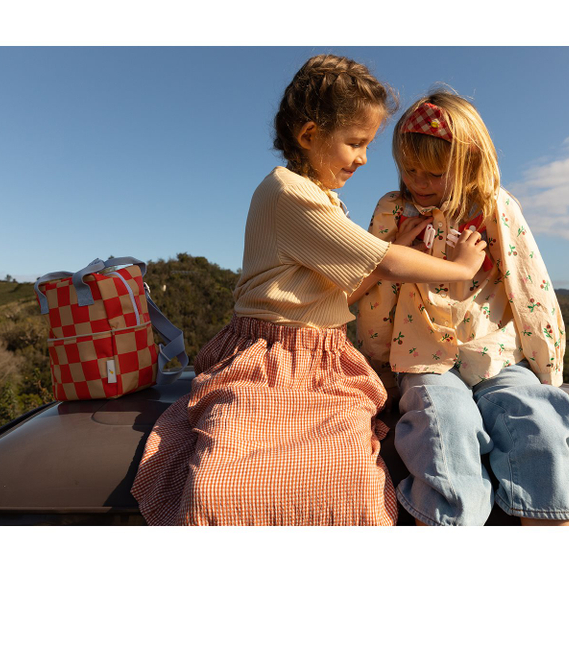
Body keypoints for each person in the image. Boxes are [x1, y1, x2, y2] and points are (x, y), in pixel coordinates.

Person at [131, 57, 487, 526]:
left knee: (349, 475)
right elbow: (381, 261)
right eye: (355, 143)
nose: (364, 158)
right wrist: (458, 266)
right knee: (224, 477)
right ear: (309, 134)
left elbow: (346, 291)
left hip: (321, 359)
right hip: (269, 360)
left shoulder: (317, 198)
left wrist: (393, 249)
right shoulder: (289, 193)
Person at [353, 91, 569, 526]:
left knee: (538, 422)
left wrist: (548, 383)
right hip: (423, 354)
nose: (419, 182)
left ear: (470, 164)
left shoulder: (495, 208)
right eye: (410, 169)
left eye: (435, 173)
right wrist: (380, 369)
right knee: (442, 424)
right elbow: (378, 292)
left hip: (497, 352)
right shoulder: (394, 210)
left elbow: (530, 289)